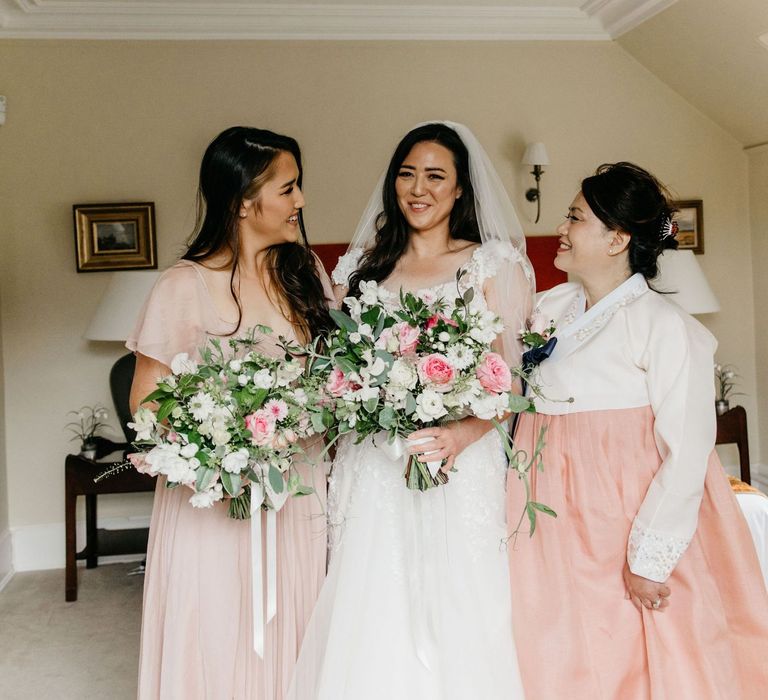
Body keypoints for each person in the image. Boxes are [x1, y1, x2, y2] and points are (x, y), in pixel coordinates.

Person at [287, 122, 532, 699]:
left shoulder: (494, 265)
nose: (417, 188)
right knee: (371, 596)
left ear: (461, 191)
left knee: (462, 595)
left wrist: (460, 435)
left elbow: (513, 383)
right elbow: (337, 371)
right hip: (375, 465)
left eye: (435, 176)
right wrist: (361, 397)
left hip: (461, 463)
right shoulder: (359, 270)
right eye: (406, 173)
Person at [507, 162, 768, 698]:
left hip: (620, 514)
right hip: (546, 508)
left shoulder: (668, 330)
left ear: (617, 237)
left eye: (575, 218)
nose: (562, 228)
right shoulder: (549, 308)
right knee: (555, 644)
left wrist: (649, 560)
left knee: (631, 652)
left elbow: (688, 453)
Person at [127, 127, 333, 700]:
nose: (300, 201)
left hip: (297, 490)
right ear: (244, 201)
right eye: (288, 189)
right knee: (219, 625)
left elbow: (329, 376)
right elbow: (147, 403)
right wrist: (224, 443)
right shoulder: (183, 285)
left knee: (297, 617)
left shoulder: (306, 274)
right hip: (217, 500)